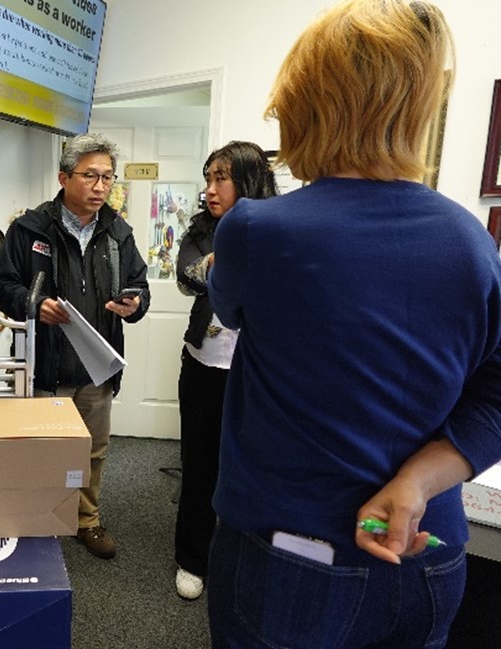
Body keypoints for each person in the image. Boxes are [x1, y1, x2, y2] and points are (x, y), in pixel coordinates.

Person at [206, 2, 501, 647]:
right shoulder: (472, 242)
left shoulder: (257, 229)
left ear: (310, 104)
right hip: (429, 550)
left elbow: (228, 311)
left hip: (297, 558)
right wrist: (413, 484)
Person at [0, 132, 150, 559]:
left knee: (92, 451)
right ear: (64, 177)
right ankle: (37, 521)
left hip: (97, 366)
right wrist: (33, 304)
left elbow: (140, 286)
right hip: (46, 363)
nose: (101, 187)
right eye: (90, 176)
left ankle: (87, 520)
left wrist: (134, 303)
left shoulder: (119, 232)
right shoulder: (29, 229)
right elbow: (3, 284)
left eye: (108, 178)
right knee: (41, 451)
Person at [172, 141, 277, 600]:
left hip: (259, 369)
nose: (211, 189)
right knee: (199, 465)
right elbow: (186, 278)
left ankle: (248, 557)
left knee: (255, 466)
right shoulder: (202, 229)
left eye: (222, 178)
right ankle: (192, 559)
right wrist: (223, 253)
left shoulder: (279, 230)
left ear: (249, 181)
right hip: (204, 366)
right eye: (208, 178)